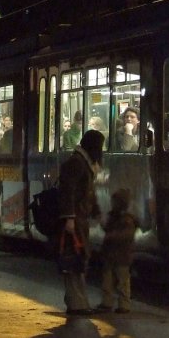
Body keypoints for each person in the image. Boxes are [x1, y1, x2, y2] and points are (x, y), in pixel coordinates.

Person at [57, 129, 104, 315]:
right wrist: (69, 217)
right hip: (75, 218)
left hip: (78, 217)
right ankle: (77, 304)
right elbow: (68, 191)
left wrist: (95, 211)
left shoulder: (81, 162)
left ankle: (78, 302)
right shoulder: (77, 163)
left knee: (77, 259)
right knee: (75, 259)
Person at [97, 188, 136, 313]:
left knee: (121, 282)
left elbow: (126, 235)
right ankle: (109, 303)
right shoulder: (116, 217)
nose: (112, 204)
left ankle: (122, 305)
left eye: (114, 202)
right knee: (109, 281)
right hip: (114, 254)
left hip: (120, 255)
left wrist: (111, 235)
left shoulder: (127, 219)